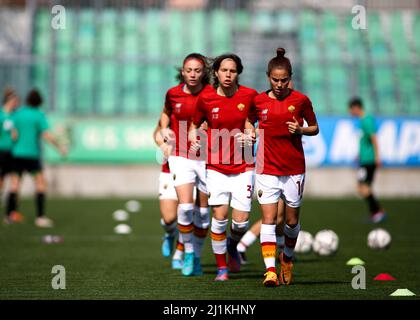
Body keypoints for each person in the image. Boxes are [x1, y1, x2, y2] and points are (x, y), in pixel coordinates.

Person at [247, 48, 319, 286]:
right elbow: (249, 121)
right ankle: (269, 271)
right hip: (266, 168)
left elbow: (314, 127)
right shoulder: (258, 100)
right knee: (268, 220)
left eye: (284, 80)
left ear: (291, 78)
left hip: (293, 168)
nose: (279, 84)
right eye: (275, 80)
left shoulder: (301, 100)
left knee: (290, 222)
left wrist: (300, 130)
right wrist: (251, 132)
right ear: (268, 76)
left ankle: (286, 258)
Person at [190, 53, 258, 281]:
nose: (228, 75)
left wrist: (251, 134)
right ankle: (222, 269)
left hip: (244, 166)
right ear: (216, 73)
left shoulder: (249, 96)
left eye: (233, 71)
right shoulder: (206, 98)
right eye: (224, 70)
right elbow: (195, 124)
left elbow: (252, 122)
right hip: (216, 166)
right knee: (219, 218)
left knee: (240, 223)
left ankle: (232, 244)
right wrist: (195, 138)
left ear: (238, 73)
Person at [159, 53, 211, 276]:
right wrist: (163, 131)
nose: (192, 74)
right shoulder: (172, 94)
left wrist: (204, 129)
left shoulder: (211, 94)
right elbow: (165, 114)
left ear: (204, 73)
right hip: (180, 157)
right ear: (182, 71)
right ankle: (187, 251)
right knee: (186, 207)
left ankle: (196, 255)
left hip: (207, 158)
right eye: (188, 70)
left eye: (197, 70)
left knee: (204, 215)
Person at [5, 89, 67, 227]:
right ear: (39, 102)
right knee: (40, 184)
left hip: (16, 154)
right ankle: (40, 217)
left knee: (14, 185)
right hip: (32, 155)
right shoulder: (39, 115)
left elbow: (11, 132)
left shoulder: (17, 114)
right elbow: (46, 135)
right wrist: (59, 147)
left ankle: (10, 215)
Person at [348, 97, 386, 223]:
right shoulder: (363, 121)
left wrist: (377, 157)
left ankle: (377, 212)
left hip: (369, 161)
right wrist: (359, 154)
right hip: (365, 159)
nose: (350, 112)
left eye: (351, 109)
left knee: (363, 187)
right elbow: (366, 141)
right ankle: (376, 212)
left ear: (356, 107)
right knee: (363, 187)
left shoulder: (367, 120)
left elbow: (374, 139)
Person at [153, 122, 184, 270]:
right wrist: (162, 143)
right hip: (169, 172)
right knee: (169, 219)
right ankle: (171, 233)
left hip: (194, 170)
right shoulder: (173, 103)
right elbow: (157, 133)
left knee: (187, 216)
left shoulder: (205, 102)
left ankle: (179, 255)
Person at [1, 87, 21, 224]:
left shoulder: (15, 117)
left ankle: (10, 214)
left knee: (15, 181)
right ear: (10, 101)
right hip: (1, 152)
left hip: (12, 153)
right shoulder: (1, 116)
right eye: (16, 101)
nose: (17, 103)